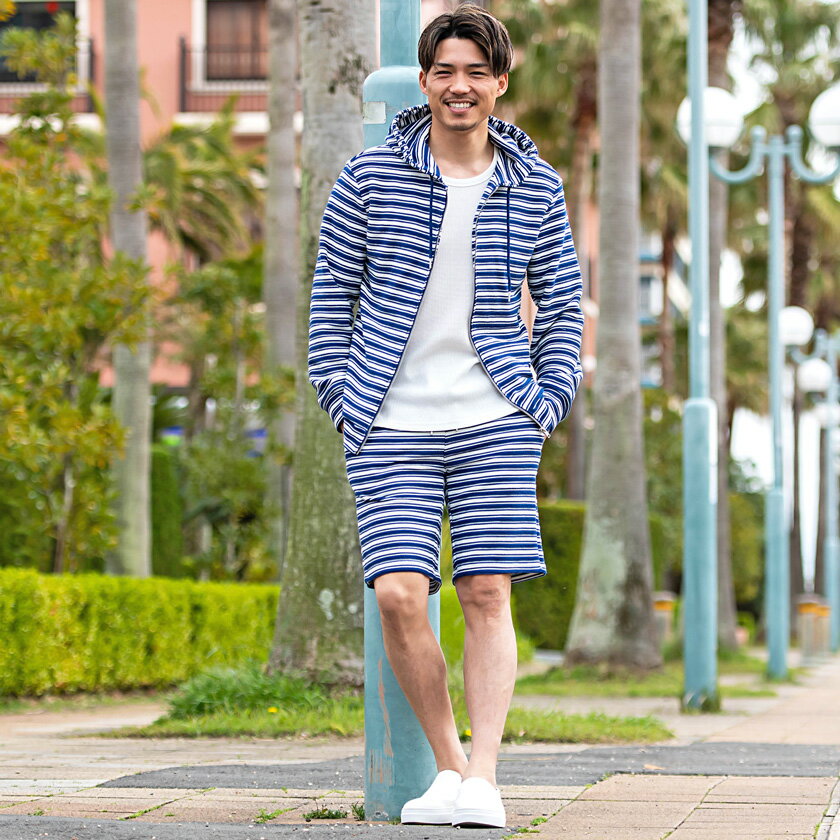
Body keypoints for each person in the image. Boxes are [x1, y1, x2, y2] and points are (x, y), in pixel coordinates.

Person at [307, 3, 583, 829]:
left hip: (496, 416)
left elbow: (562, 304)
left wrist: (545, 403)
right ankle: (449, 768)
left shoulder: (535, 184)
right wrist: (341, 394)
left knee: (487, 591)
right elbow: (331, 299)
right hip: (387, 420)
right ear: (425, 81)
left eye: (476, 72)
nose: (459, 86)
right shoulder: (369, 178)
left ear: (500, 82)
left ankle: (485, 776)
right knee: (398, 593)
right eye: (445, 72)